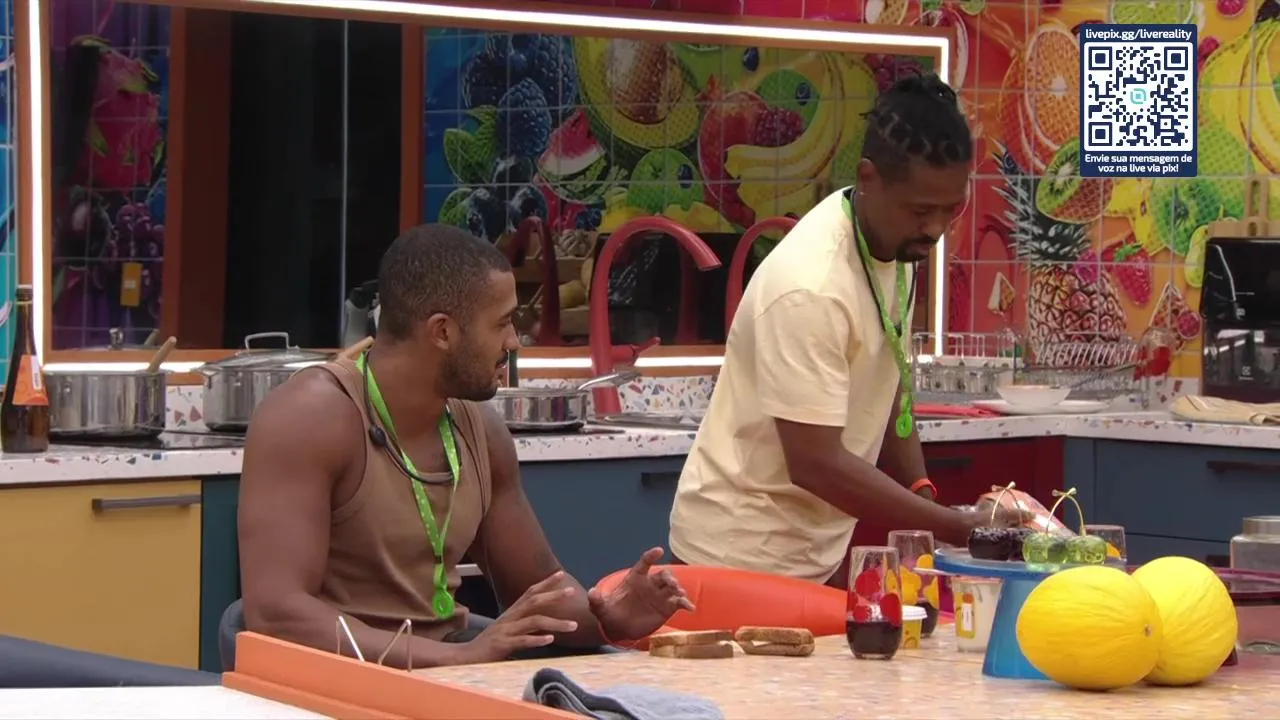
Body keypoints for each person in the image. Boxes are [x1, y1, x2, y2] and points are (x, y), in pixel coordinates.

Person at [238, 224, 693, 669]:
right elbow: (277, 613)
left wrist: (608, 619)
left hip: (449, 671)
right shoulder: (311, 417)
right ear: (442, 332)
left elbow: (541, 589)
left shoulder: (480, 430)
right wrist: (458, 657)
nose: (514, 341)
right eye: (503, 323)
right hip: (336, 682)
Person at [669, 74, 1023, 588]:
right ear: (868, 177)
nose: (936, 228)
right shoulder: (810, 285)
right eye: (922, 210)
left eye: (952, 208)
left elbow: (888, 371)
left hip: (814, 551)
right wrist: (951, 526)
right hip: (737, 555)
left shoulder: (894, 242)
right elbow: (815, 464)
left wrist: (922, 492)